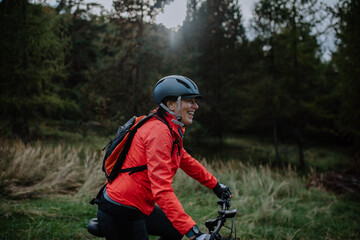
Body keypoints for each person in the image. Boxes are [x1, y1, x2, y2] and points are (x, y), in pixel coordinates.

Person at [96, 75, 232, 240]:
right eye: (190, 101)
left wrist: (216, 185)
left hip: (140, 204)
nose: (196, 106)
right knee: (180, 227)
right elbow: (161, 189)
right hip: (122, 208)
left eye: (195, 101)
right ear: (171, 104)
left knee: (174, 229)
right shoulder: (158, 132)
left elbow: (184, 159)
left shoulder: (170, 128)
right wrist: (194, 233)